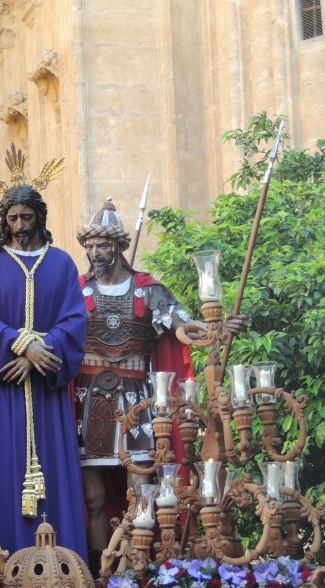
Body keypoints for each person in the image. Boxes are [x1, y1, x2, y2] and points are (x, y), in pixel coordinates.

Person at [73, 199, 241, 569]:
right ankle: (98, 571)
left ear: (118, 246)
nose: (95, 252)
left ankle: (138, 566)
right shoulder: (75, 290)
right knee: (93, 496)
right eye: (90, 246)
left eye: (102, 245)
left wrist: (212, 331)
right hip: (88, 402)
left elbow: (181, 327)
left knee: (141, 490)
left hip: (138, 401)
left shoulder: (149, 290)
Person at [0, 183, 86, 558]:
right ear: (4, 220)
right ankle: (0, 563)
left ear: (39, 218)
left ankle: (62, 567)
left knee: (55, 474)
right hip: (4, 390)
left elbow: (75, 320)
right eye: (12, 218)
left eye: (26, 217)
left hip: (47, 395)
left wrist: (38, 353)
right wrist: (22, 345)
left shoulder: (62, 263)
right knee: (0, 472)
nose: (19, 225)